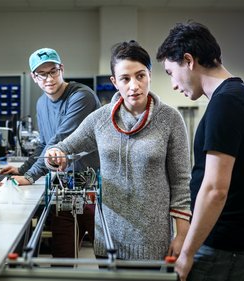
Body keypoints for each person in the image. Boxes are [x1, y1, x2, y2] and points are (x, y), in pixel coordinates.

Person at [45, 40, 191, 260]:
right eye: (125, 78)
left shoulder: (170, 120)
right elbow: (64, 148)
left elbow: (181, 182)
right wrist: (54, 155)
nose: (134, 85)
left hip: (153, 244)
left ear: (150, 75)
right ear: (114, 82)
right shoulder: (100, 119)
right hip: (109, 241)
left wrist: (182, 236)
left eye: (140, 76)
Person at [156, 21, 244, 281]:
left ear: (188, 60)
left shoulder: (226, 102)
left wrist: (187, 252)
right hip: (233, 241)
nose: (173, 84)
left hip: (224, 246)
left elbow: (216, 189)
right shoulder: (239, 96)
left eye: (171, 72)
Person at [0, 47, 101, 258]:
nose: (49, 78)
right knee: (62, 259)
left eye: (53, 71)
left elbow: (59, 141)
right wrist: (22, 169)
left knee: (107, 257)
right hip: (65, 188)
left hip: (93, 188)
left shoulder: (81, 96)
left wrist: (30, 176)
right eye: (42, 74)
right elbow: (44, 143)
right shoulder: (41, 103)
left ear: (62, 69)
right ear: (33, 77)